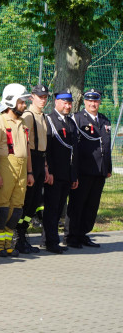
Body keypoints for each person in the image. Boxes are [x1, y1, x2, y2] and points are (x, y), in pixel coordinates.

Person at [0, 84, 35, 257]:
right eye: (22, 102)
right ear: (12, 102)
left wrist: (29, 173)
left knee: (16, 209)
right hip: (5, 168)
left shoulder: (22, 123)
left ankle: (7, 243)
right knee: (1, 208)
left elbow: (27, 149)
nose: (24, 105)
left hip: (21, 170)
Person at [66, 89, 113, 249]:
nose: (93, 104)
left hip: (99, 170)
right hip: (83, 169)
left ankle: (82, 233)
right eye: (90, 101)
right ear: (85, 102)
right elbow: (74, 147)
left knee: (92, 205)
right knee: (78, 203)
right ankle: (71, 236)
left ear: (99, 102)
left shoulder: (104, 120)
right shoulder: (78, 119)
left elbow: (107, 146)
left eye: (96, 101)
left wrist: (108, 167)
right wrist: (74, 172)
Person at [43, 90, 79, 253]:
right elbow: (47, 150)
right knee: (51, 209)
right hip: (54, 173)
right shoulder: (49, 120)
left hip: (66, 174)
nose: (68, 106)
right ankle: (50, 241)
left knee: (58, 209)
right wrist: (48, 171)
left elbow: (74, 152)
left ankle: (50, 239)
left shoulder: (70, 123)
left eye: (69, 103)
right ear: (56, 102)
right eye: (64, 103)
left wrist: (74, 175)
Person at [17, 85, 50, 253]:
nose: (43, 99)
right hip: (32, 159)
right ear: (32, 97)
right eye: (40, 96)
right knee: (27, 200)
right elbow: (26, 144)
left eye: (45, 96)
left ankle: (23, 233)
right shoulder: (28, 116)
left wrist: (44, 167)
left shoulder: (43, 116)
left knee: (35, 201)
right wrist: (30, 170)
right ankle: (19, 236)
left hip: (40, 160)